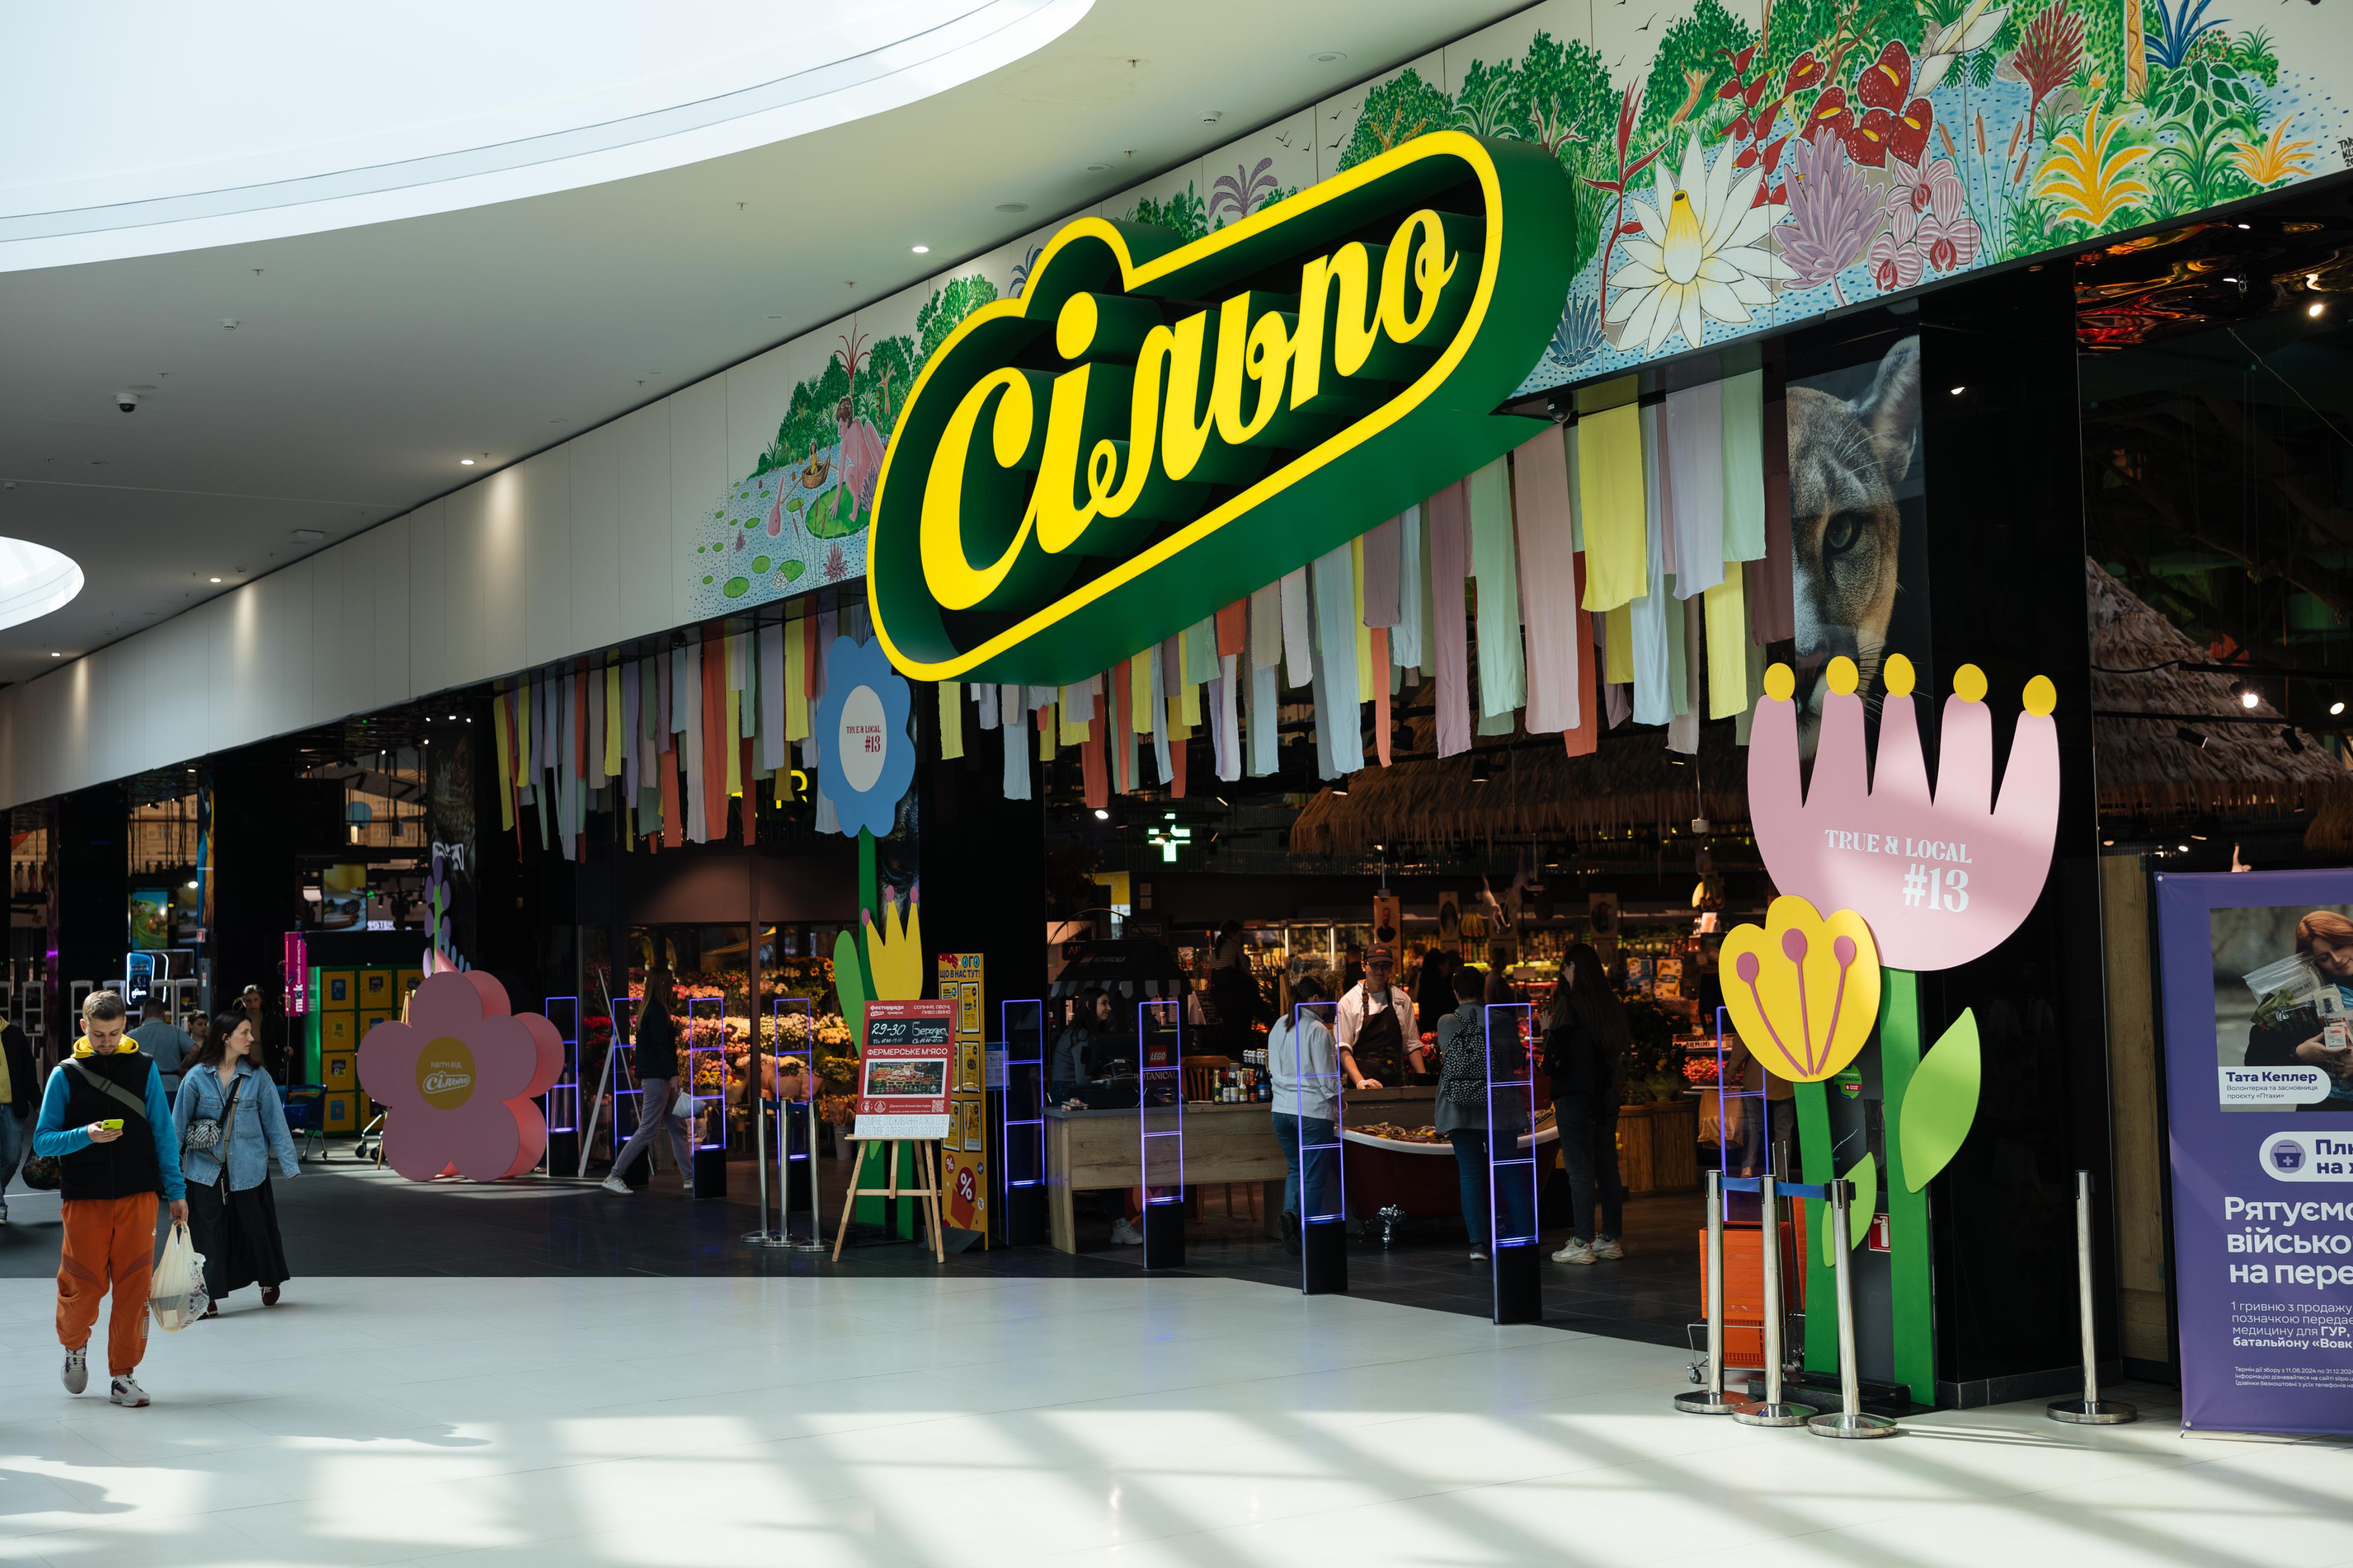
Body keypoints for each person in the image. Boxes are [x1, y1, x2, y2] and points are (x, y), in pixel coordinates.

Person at [31, 991, 187, 1407]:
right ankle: (74, 1347)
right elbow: (43, 1140)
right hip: (85, 1199)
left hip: (139, 1196)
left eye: (115, 1033)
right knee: (83, 1284)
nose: (107, 1041)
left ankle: (124, 1375)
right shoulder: (65, 1075)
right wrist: (86, 1135)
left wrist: (176, 1191)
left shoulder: (144, 1067)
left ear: (125, 1026)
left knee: (135, 1287)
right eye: (99, 1034)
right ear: (84, 1026)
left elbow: (163, 1133)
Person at [174, 1011, 299, 1315]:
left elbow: (276, 1123)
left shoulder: (258, 1077)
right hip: (205, 1169)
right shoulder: (196, 1078)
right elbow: (177, 1125)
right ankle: (207, 1297)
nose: (252, 1038)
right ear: (226, 1038)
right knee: (206, 1233)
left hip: (249, 1168)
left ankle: (269, 1279)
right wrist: (168, 1172)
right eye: (245, 1032)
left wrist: (289, 1164)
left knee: (257, 1228)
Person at [1434, 966, 1533, 1262]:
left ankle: (1478, 1244)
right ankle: (1525, 1236)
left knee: (1471, 1174)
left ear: (1456, 993)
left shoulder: (1446, 1023)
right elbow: (1517, 1060)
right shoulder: (1502, 1021)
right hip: (1499, 1108)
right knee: (1508, 1171)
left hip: (1460, 1109)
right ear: (1483, 991)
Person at [1544, 944, 1631, 1266]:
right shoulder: (1611, 1005)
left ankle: (1581, 1242)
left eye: (1566, 967)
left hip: (1576, 1095)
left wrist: (1546, 1029)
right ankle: (1610, 1239)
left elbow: (1556, 1053)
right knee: (1607, 1167)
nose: (1564, 973)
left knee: (1580, 1170)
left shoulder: (1569, 1004)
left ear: (1574, 969)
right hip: (1606, 1094)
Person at [2243, 910, 2353, 1111]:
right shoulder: (2293, 995)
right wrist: (2298, 1053)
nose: (2337, 959)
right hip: (2323, 1113)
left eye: (2339, 947)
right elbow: (2254, 1062)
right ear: (2311, 960)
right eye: (2324, 957)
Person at [604, 968, 693, 1194]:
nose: (673, 988)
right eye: (670, 984)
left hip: (658, 1078)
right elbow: (661, 1048)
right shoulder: (658, 1012)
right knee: (648, 1130)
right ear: (663, 986)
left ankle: (690, 1178)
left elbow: (656, 1045)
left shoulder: (649, 1011)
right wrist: (673, 1074)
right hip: (658, 1079)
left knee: (678, 1128)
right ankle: (614, 1175)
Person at [1267, 976, 1339, 1255]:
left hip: (1281, 1111)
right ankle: (1307, 1233)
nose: (1327, 1007)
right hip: (1312, 1112)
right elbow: (1327, 1080)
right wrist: (1340, 1103)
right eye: (1326, 1001)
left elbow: (1272, 1069)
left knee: (1296, 1169)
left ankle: (1291, 1218)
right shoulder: (1317, 1030)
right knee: (1313, 1176)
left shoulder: (1279, 1025)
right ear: (1315, 999)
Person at [1334, 947, 1419, 1091]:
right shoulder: (1348, 1002)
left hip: (1398, 1085)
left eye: (1385, 966)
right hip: (1363, 1085)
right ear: (1363, 965)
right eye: (1375, 965)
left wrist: (1423, 1079)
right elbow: (1343, 1048)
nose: (1380, 970)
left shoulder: (1402, 1000)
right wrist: (1361, 1082)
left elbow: (1412, 1045)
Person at [0, 1010, 34, 1226]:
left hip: (13, 1107)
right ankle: (0, 1207)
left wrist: (39, 1102)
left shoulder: (14, 1035)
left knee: (12, 1158)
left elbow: (29, 1072)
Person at [130, 997, 196, 1106]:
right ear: (163, 1013)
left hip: (142, 1086)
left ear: (144, 1014)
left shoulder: (131, 1036)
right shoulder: (175, 1031)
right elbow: (195, 1050)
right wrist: (183, 1067)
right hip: (172, 1085)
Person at [1051, 989, 1108, 1105]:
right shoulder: (1081, 1034)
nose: (1109, 1008)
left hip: (1066, 1089)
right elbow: (1083, 1079)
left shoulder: (1080, 1031)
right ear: (1089, 1005)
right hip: (1068, 1092)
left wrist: (1099, 1078)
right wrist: (1102, 1081)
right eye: (1104, 1003)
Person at [1413, 947, 1455, 1029]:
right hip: (1438, 1028)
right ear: (1440, 966)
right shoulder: (1440, 986)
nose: (1449, 968)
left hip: (1427, 1029)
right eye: (1447, 964)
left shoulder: (1425, 982)